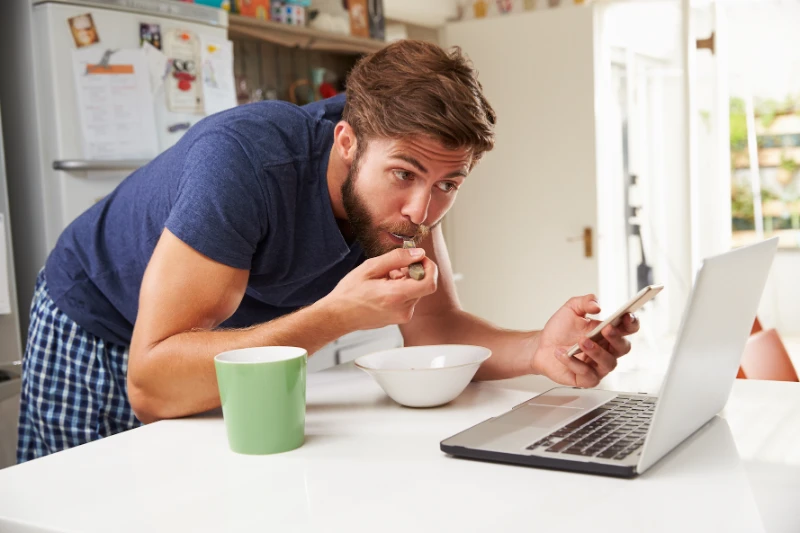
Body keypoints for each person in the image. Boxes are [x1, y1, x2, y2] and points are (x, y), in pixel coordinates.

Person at [17, 40, 638, 463]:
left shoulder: (408, 197)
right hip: (99, 322)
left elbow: (437, 330)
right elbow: (152, 385)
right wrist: (338, 314)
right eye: (405, 174)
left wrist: (539, 349)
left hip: (210, 344)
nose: (423, 211)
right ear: (346, 141)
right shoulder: (245, 164)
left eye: (449, 183)